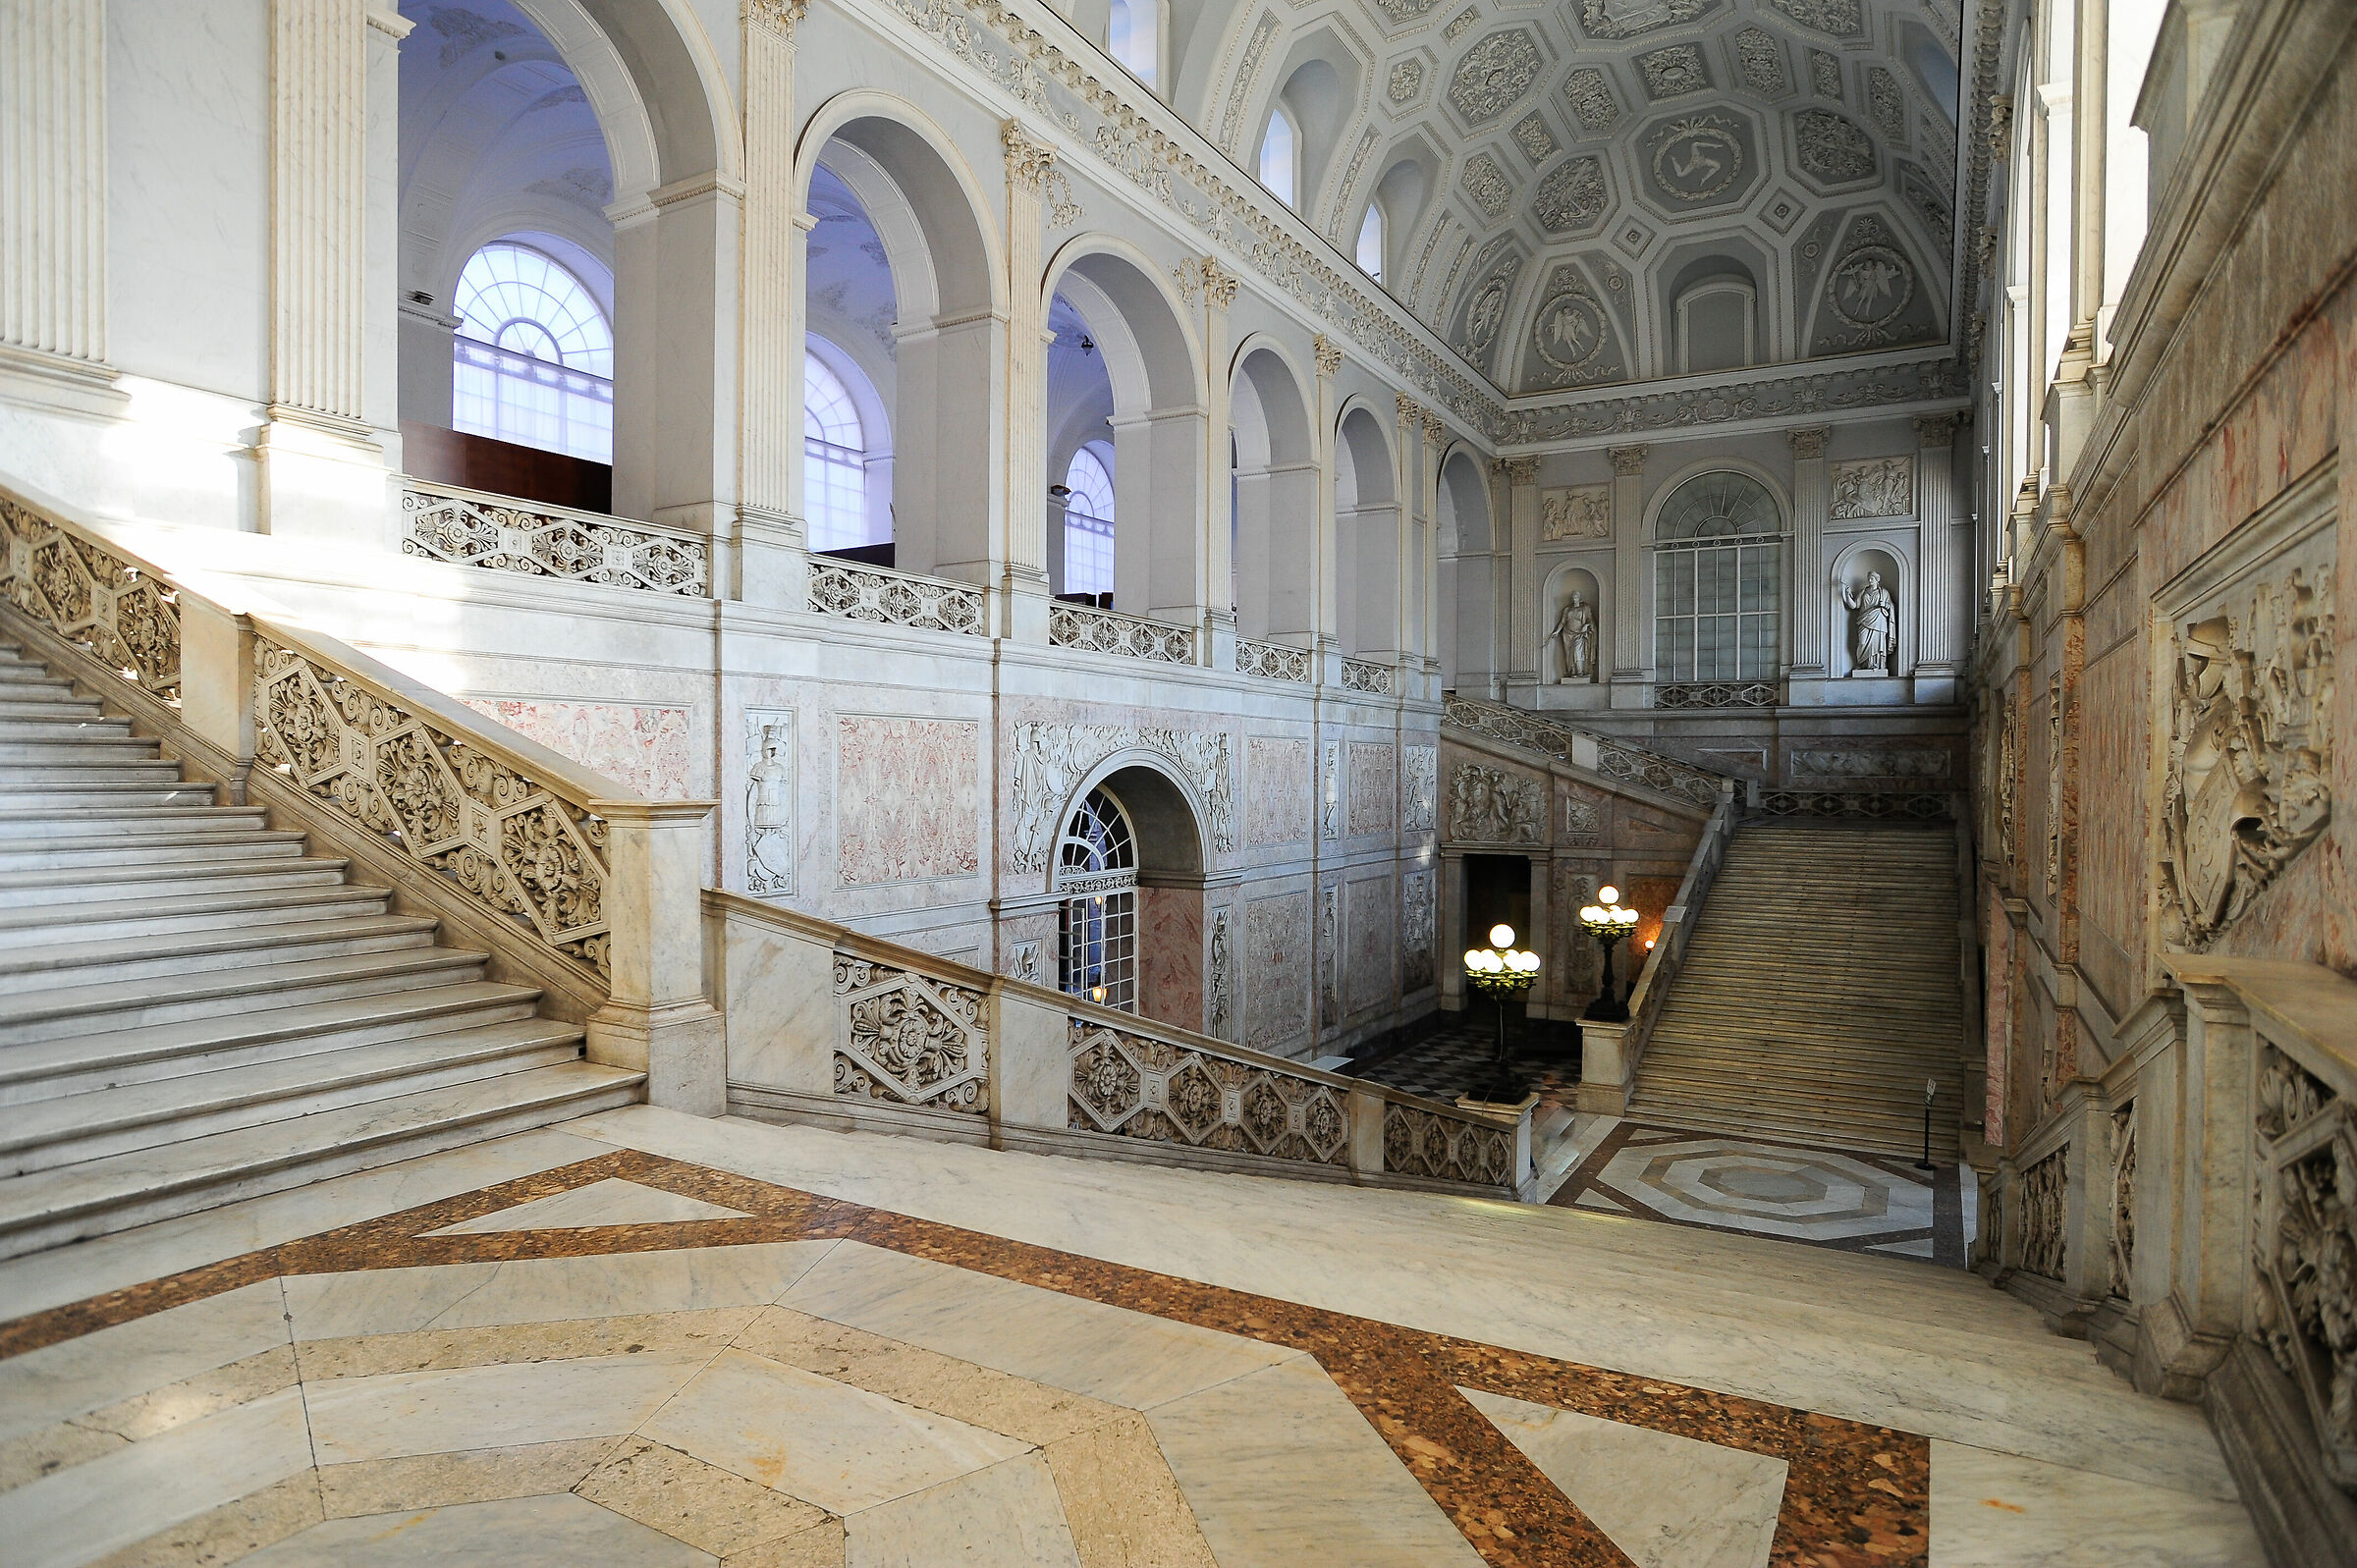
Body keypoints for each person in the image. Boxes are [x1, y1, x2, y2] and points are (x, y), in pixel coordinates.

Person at [1841, 569, 1896, 676]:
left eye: (1872, 578)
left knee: (1877, 644)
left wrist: (1884, 604)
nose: (1869, 580)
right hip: (1864, 620)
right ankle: (1863, 664)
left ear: (1877, 580)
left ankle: (1876, 665)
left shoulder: (1884, 592)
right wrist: (1847, 595)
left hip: (1878, 621)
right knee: (1862, 642)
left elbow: (1891, 607)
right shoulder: (1863, 591)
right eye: (1869, 578)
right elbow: (1855, 606)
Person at [1552, 590, 1595, 682]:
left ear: (1579, 598)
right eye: (1573, 597)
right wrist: (1556, 631)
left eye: (1576, 597)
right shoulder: (1567, 609)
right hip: (1567, 633)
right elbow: (1563, 622)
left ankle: (1580, 671)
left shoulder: (1585, 608)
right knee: (1569, 654)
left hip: (1579, 633)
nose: (1574, 599)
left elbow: (1590, 620)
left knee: (1577, 651)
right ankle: (1573, 672)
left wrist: (1586, 625)